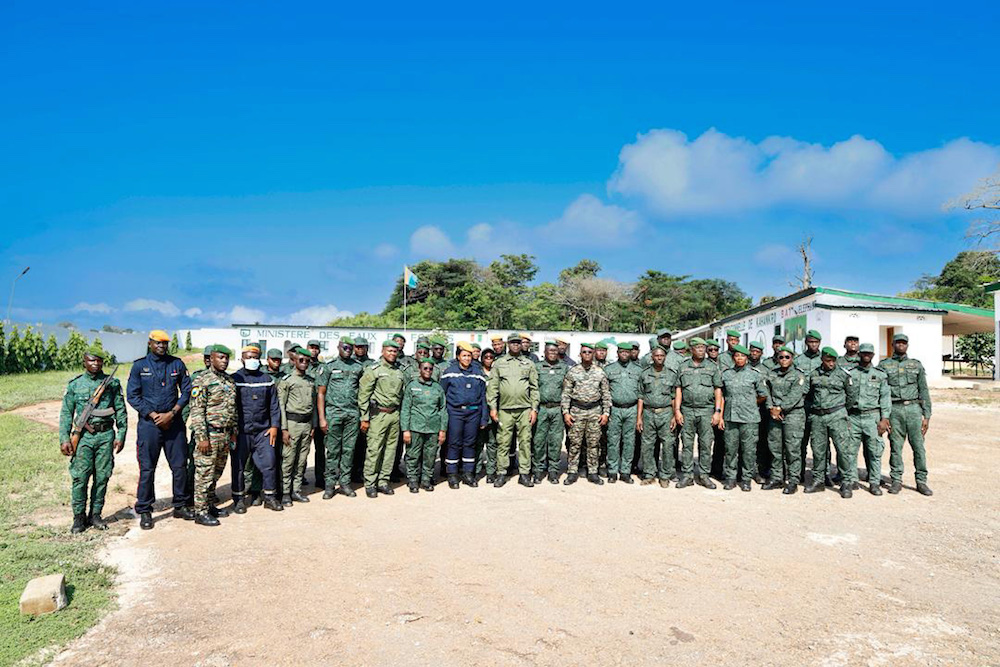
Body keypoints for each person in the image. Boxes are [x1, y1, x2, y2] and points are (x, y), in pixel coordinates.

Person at [127, 330, 193, 530]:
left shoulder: (177, 364)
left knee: (179, 466)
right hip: (150, 425)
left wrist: (172, 413)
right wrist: (153, 414)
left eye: (165, 344)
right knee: (147, 468)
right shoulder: (139, 366)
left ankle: (180, 505)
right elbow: (132, 395)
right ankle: (145, 508)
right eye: (158, 343)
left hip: (174, 423)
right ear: (150, 343)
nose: (162, 347)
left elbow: (187, 390)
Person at [60, 346, 127, 533]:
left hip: (106, 436)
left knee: (102, 476)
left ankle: (96, 515)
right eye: (91, 360)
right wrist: (65, 438)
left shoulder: (112, 384)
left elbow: (121, 410)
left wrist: (121, 435)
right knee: (80, 477)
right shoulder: (75, 385)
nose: (95, 364)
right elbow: (66, 413)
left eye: (98, 361)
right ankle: (78, 518)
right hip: (83, 438)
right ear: (84, 361)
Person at [188, 345, 239, 526]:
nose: (224, 361)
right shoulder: (202, 380)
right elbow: (197, 410)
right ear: (211, 358)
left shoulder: (229, 381)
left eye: (226, 358)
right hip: (209, 434)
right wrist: (202, 437)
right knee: (204, 474)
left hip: (224, 436)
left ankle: (209, 505)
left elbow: (233, 410)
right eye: (220, 357)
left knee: (216, 473)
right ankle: (200, 512)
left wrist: (233, 432)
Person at [877, 333, 933, 496]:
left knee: (918, 447)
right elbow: (881, 392)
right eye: (898, 343)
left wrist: (927, 416)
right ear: (893, 345)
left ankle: (921, 481)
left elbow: (924, 390)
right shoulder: (884, 365)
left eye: (904, 343)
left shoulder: (916, 365)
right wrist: (884, 415)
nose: (901, 345)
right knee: (895, 447)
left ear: (907, 345)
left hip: (914, 409)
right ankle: (896, 480)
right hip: (894, 410)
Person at [231, 345, 283, 513]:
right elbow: (230, 407)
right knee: (238, 466)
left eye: (255, 357)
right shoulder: (234, 379)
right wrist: (232, 430)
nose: (252, 360)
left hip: (263, 431)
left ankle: (269, 497)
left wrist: (274, 426)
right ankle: (238, 499)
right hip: (241, 431)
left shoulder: (267, 379)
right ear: (242, 358)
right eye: (249, 357)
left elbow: (274, 406)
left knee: (269, 463)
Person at [486, 333, 539, 487]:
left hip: (524, 409)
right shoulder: (499, 363)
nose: (516, 345)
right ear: (508, 344)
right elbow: (493, 387)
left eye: (518, 342)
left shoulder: (528, 363)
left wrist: (534, 408)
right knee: (503, 442)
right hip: (505, 409)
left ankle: (524, 474)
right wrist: (493, 408)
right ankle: (501, 473)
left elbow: (534, 388)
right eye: (513, 343)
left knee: (525, 442)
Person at [805, 347, 856, 498]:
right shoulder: (813, 374)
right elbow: (808, 394)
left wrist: (840, 410)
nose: (831, 364)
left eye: (834, 361)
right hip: (818, 417)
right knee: (818, 450)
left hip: (837, 415)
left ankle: (846, 482)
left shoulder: (843, 375)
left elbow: (851, 395)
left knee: (842, 450)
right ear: (822, 360)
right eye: (828, 361)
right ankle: (819, 480)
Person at [316, 337, 364, 499]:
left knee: (349, 451)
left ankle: (345, 483)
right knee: (333, 451)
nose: (348, 350)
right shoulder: (329, 367)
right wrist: (322, 419)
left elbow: (363, 391)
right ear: (338, 347)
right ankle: (330, 485)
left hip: (352, 414)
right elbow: (321, 394)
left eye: (350, 348)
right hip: (333, 414)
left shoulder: (358, 367)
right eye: (345, 347)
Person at [673, 337, 723, 489]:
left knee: (706, 444)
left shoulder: (712, 367)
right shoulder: (683, 367)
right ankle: (687, 475)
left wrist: (717, 412)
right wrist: (677, 411)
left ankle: (704, 475)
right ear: (691, 349)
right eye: (698, 347)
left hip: (706, 411)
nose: (702, 350)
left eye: (703, 347)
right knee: (687, 444)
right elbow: (678, 389)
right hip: (687, 410)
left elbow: (718, 390)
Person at [358, 340, 406, 497]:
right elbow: (363, 395)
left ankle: (383, 481)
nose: (392, 354)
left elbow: (403, 394)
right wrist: (364, 418)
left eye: (395, 351)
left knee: (390, 450)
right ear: (383, 351)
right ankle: (370, 483)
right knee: (374, 449)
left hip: (394, 414)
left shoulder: (399, 371)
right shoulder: (373, 370)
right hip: (378, 414)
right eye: (389, 351)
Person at [720, 344, 771, 492]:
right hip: (731, 417)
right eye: (737, 356)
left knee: (749, 451)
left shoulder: (755, 374)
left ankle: (746, 479)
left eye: (742, 356)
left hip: (749, 418)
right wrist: (721, 415)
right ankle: (731, 478)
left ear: (747, 358)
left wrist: (749, 403)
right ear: (733, 358)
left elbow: (763, 394)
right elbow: (721, 395)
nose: (739, 358)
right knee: (730, 449)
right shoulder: (726, 374)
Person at [439, 342, 488, 489]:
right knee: (453, 443)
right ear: (458, 357)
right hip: (455, 412)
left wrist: (483, 416)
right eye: (464, 355)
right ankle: (452, 474)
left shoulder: (478, 373)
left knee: (470, 444)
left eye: (469, 356)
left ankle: (468, 474)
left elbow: (483, 397)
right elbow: (442, 395)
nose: (467, 358)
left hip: (474, 412)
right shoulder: (449, 372)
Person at [560, 342, 611, 485]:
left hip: (595, 411)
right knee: (575, 443)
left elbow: (606, 395)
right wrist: (566, 412)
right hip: (577, 411)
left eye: (589, 352)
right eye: (584, 352)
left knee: (593, 443)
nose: (587, 354)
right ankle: (572, 471)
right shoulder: (573, 372)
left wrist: (606, 413)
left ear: (593, 354)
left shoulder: (600, 372)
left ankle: (593, 472)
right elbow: (566, 394)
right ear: (580, 354)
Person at [848, 343, 891, 496]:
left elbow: (885, 398)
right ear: (859, 354)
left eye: (869, 353)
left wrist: (885, 419)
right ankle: (852, 479)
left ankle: (874, 481)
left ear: (873, 355)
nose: (866, 355)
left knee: (874, 451)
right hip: (853, 416)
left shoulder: (880, 374)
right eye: (864, 353)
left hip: (872, 417)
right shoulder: (850, 373)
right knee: (851, 451)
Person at [764, 346, 807, 494]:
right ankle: (777, 477)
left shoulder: (799, 376)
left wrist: (780, 408)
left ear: (792, 359)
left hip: (793, 415)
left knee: (792, 449)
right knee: (775, 448)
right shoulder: (772, 374)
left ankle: (793, 480)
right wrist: (771, 407)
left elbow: (795, 395)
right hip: (774, 415)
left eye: (787, 357)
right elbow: (766, 392)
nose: (783, 360)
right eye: (781, 357)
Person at [401, 359, 448, 492]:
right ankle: (413, 480)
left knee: (430, 455)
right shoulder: (412, 386)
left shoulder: (437, 388)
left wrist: (443, 430)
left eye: (430, 369)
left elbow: (443, 410)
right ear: (420, 370)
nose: (428, 371)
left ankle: (426, 480)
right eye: (425, 368)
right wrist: (405, 429)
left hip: (433, 428)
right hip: (415, 427)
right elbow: (406, 409)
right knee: (413, 455)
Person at [278, 347, 315, 506]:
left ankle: (296, 490)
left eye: (307, 361)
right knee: (288, 459)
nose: (304, 363)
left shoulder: (310, 380)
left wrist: (313, 425)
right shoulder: (287, 380)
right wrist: (284, 429)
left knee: (301, 460)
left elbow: (312, 404)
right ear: (294, 361)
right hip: (292, 424)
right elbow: (281, 405)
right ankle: (285, 492)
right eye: (301, 360)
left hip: (306, 424)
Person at [603, 341, 641, 484]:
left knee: (629, 442)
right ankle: (612, 470)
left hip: (631, 408)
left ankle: (625, 471)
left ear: (630, 353)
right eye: (621, 352)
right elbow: (604, 391)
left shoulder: (638, 370)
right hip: (615, 409)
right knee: (613, 441)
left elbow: (641, 392)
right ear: (618, 353)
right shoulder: (609, 369)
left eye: (627, 352)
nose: (624, 354)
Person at [637, 345, 675, 486]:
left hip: (666, 413)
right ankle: (649, 474)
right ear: (652, 357)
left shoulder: (671, 374)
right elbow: (640, 396)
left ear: (665, 357)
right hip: (648, 413)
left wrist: (674, 415)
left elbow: (673, 396)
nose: (659, 358)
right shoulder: (644, 373)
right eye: (657, 355)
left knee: (667, 445)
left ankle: (665, 475)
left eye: (662, 356)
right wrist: (639, 417)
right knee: (647, 445)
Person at [532, 340, 568, 484]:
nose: (552, 353)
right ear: (544, 352)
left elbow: (567, 389)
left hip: (557, 409)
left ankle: (553, 471)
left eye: (555, 351)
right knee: (539, 441)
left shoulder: (564, 368)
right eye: (550, 351)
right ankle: (538, 470)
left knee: (555, 441)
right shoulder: (537, 367)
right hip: (541, 408)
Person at [475, 348, 500, 481]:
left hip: (494, 412)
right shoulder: (478, 373)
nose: (489, 359)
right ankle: (478, 469)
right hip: (480, 412)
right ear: (482, 359)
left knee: (492, 443)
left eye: (491, 357)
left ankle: (491, 471)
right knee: (478, 443)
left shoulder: (497, 373)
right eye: (486, 357)